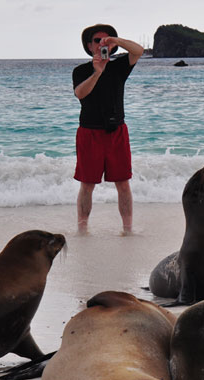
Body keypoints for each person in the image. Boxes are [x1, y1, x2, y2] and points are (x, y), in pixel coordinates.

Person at [72, 24, 144, 235]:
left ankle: (128, 230)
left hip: (116, 132)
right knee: (87, 185)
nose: (102, 44)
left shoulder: (120, 66)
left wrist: (117, 41)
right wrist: (97, 73)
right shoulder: (81, 70)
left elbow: (138, 50)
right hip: (89, 133)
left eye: (107, 40)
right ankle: (82, 229)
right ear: (88, 45)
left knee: (123, 184)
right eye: (97, 41)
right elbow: (80, 94)